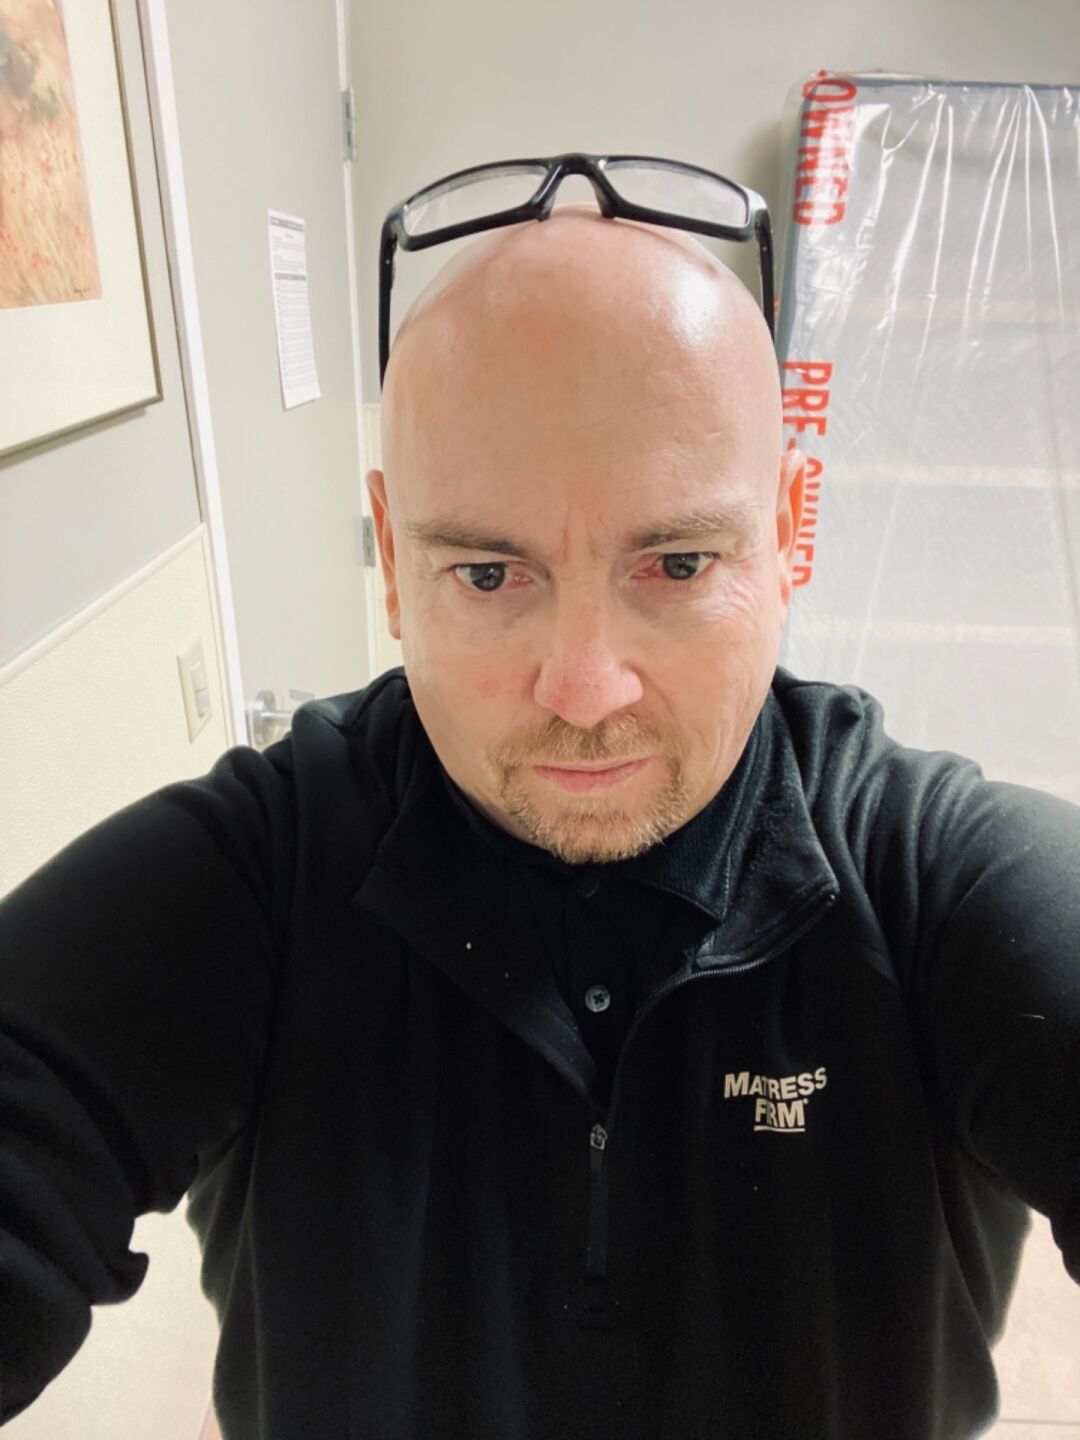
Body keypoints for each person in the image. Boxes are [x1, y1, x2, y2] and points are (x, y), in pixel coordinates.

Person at [1, 201, 1078, 1440]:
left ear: (786, 535)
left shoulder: (930, 877)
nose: (584, 691)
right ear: (395, 559)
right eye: (488, 573)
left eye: (677, 565)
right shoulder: (264, 873)